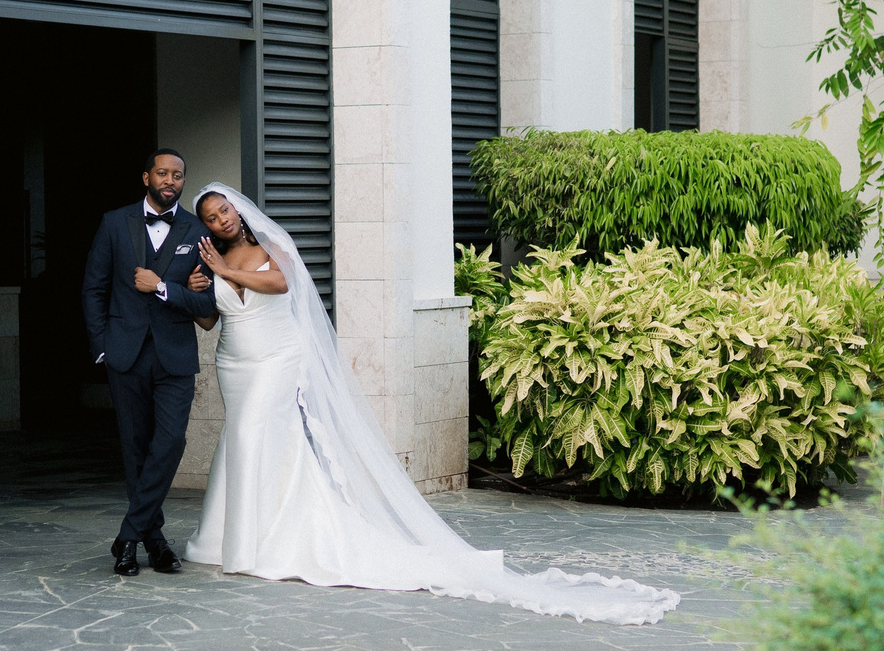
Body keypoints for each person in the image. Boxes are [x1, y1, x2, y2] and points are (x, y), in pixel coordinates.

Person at [182, 183, 678, 625]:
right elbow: (210, 321)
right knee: (243, 439)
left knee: (257, 436)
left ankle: (263, 541)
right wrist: (196, 288)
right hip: (236, 363)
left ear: (239, 210)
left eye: (224, 210)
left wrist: (226, 269)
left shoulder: (271, 246)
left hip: (278, 358)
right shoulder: (207, 259)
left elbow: (282, 285)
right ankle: (230, 535)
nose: (220, 220)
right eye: (210, 217)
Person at [81, 148, 216, 576]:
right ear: (146, 177)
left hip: (175, 354)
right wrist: (102, 345)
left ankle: (128, 535)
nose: (170, 180)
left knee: (170, 442)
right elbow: (93, 289)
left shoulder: (197, 231)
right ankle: (154, 541)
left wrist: (171, 288)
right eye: (163, 173)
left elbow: (206, 303)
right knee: (136, 449)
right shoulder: (114, 222)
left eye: (178, 175)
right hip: (125, 353)